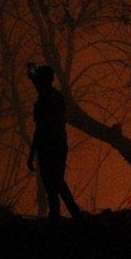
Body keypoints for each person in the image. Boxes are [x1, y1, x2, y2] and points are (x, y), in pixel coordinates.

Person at [26, 64, 82, 224]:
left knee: (53, 183)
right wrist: (33, 76)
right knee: (56, 181)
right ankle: (70, 214)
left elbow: (40, 129)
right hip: (58, 145)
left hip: (49, 146)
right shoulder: (56, 97)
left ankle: (62, 216)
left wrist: (32, 153)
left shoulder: (45, 101)